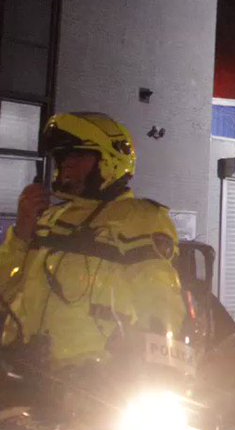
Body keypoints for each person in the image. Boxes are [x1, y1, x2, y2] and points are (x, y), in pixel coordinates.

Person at [0, 112, 184, 369]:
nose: (66, 164)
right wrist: (21, 231)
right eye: (63, 157)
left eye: (78, 155)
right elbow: (5, 289)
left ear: (110, 160)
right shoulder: (50, 218)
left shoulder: (139, 218)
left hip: (92, 385)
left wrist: (161, 370)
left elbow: (159, 302)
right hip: (18, 369)